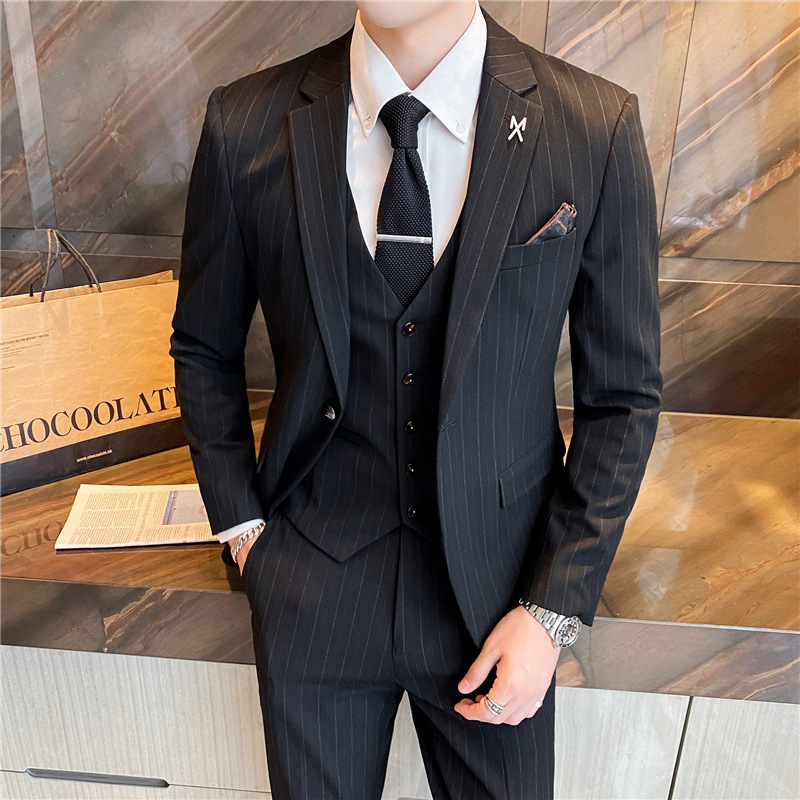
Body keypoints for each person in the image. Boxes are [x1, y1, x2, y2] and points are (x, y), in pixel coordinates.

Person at [170, 1, 662, 798]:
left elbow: (624, 397)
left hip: (501, 597)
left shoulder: (591, 125)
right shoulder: (246, 122)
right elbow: (203, 346)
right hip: (310, 582)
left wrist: (551, 610)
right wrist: (244, 531)